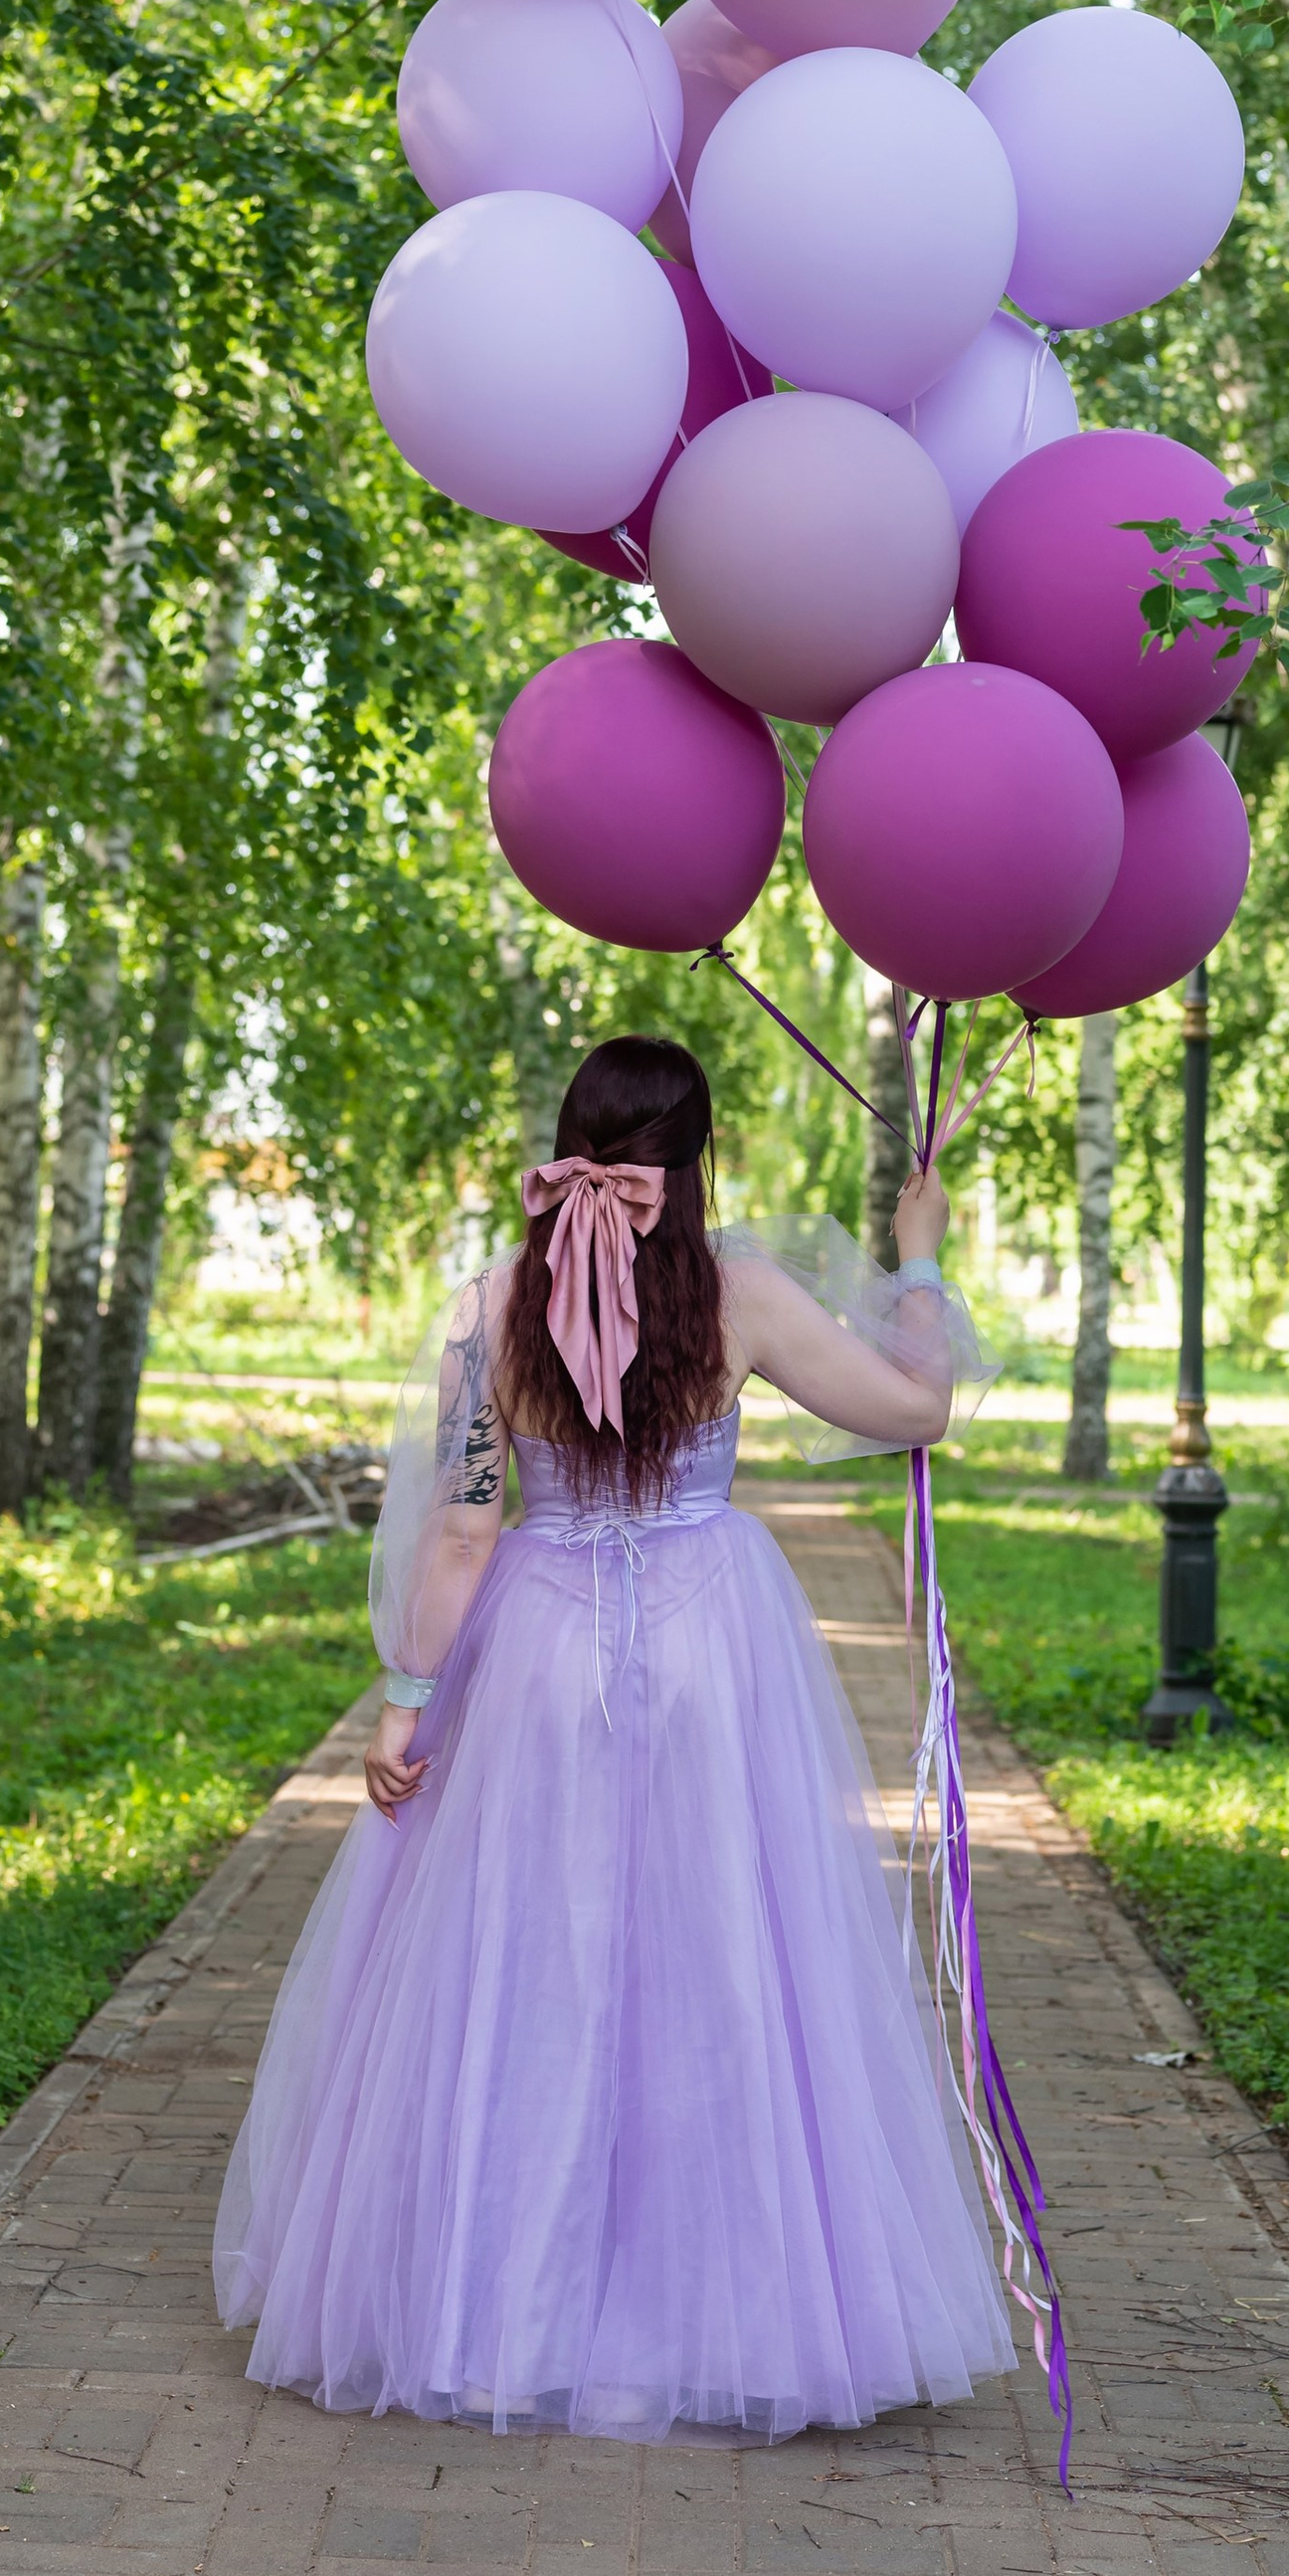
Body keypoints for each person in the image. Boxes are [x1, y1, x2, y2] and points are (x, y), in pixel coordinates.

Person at [212, 1032, 1017, 2443]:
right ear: (693, 1164)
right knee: (725, 1957)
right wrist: (922, 1260)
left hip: (537, 1654)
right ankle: (731, 2308)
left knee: (532, 1955)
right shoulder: (739, 1297)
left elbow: (467, 1529)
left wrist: (407, 1696)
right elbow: (919, 1407)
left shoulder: (491, 1308)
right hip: (717, 1642)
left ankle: (504, 2306)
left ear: (570, 1140)